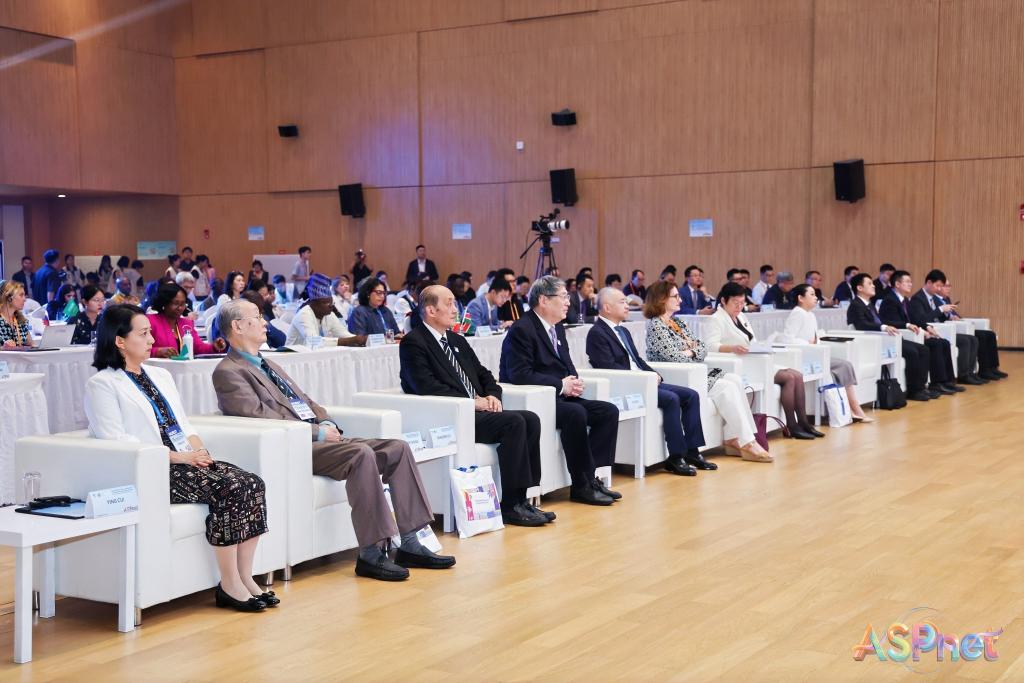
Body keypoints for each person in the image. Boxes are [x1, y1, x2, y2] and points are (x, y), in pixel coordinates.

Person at [213, 299, 454, 580]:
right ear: (238, 326)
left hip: (319, 437)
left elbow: (306, 401)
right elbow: (257, 417)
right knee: (361, 454)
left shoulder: (270, 364)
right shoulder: (228, 371)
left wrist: (325, 421)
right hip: (295, 446)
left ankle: (411, 541)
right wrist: (316, 433)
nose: (265, 322)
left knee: (397, 448)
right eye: (257, 316)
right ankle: (371, 553)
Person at [85, 304, 272, 612]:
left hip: (186, 459)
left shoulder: (160, 375)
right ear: (119, 341)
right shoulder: (103, 384)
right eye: (143, 334)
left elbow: (184, 425)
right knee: (230, 487)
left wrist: (199, 452)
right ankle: (229, 584)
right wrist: (179, 457)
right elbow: (117, 441)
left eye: (149, 333)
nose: (151, 340)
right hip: (154, 468)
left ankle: (245, 577)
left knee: (253, 482)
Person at [400, 286, 551, 526]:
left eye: (455, 303)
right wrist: (472, 403)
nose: (455, 309)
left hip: (475, 411)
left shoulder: (456, 340)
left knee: (530, 418)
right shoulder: (413, 343)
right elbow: (426, 386)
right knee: (514, 422)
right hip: (451, 416)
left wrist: (492, 396)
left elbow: (483, 374)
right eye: (449, 304)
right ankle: (511, 505)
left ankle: (524, 498)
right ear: (430, 310)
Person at [499, 275, 621, 506]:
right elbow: (519, 374)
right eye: (564, 297)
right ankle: (581, 485)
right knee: (576, 413)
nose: (568, 302)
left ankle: (591, 477)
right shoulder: (522, 329)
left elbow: (566, 362)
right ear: (544, 300)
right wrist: (560, 385)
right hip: (538, 399)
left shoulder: (557, 327)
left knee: (608, 412)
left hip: (560, 396)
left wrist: (574, 382)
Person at [642, 281, 771, 463]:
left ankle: (733, 438)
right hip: (677, 377)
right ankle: (748, 442)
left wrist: (690, 351)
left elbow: (702, 347)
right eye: (675, 296)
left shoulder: (677, 322)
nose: (680, 300)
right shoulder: (656, 325)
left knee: (734, 380)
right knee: (726, 387)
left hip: (695, 370)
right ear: (661, 299)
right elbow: (675, 358)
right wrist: (691, 350)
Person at [589, 287, 712, 474]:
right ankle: (676, 456)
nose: (627, 305)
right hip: (628, 385)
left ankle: (693, 452)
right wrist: (644, 378)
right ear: (607, 307)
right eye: (622, 302)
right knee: (671, 399)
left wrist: (653, 373)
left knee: (691, 395)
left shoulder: (623, 330)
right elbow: (608, 368)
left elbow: (637, 360)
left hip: (642, 380)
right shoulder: (597, 333)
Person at [707, 282, 824, 440]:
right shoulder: (716, 319)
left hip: (754, 360)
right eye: (735, 303)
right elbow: (710, 346)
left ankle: (804, 423)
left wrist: (761, 347)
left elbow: (752, 340)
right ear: (723, 300)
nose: (739, 307)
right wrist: (732, 348)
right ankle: (792, 426)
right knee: (789, 378)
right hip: (738, 364)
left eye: (742, 303)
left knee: (797, 375)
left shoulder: (741, 316)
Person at [784, 284, 873, 422]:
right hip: (804, 357)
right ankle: (854, 409)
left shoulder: (810, 314)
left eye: (815, 294)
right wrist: (808, 344)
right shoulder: (797, 313)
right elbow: (788, 339)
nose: (816, 298)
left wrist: (816, 342)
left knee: (846, 365)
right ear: (800, 298)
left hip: (815, 355)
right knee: (844, 365)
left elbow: (814, 338)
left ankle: (853, 408)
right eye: (812, 294)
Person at [847, 273, 935, 401]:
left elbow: (883, 321)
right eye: (869, 284)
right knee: (912, 352)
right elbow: (862, 324)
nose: (873, 286)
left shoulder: (869, 304)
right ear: (859, 288)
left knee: (923, 349)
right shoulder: (856, 305)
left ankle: (921, 387)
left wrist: (905, 325)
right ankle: (913, 390)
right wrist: (883, 327)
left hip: (886, 338)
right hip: (874, 342)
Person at [879, 270, 960, 396]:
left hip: (909, 334)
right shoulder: (889, 300)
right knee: (926, 348)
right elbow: (890, 322)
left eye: (910, 282)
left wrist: (926, 327)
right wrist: (912, 328)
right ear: (897, 284)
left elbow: (915, 319)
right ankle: (921, 388)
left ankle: (945, 381)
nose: (910, 284)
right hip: (896, 337)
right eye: (907, 282)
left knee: (943, 342)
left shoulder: (905, 300)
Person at [909, 269, 985, 386]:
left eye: (941, 286)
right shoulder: (917, 298)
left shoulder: (934, 298)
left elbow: (939, 317)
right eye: (937, 285)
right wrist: (940, 310)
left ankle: (961, 376)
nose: (939, 289)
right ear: (929, 283)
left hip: (939, 329)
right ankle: (951, 379)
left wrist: (948, 315)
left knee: (972, 339)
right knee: (956, 342)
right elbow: (921, 319)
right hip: (928, 331)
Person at [934, 278, 1006, 380]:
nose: (949, 288)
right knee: (978, 337)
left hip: (958, 325)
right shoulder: (935, 300)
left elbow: (953, 313)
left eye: (950, 286)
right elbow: (939, 317)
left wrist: (957, 318)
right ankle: (983, 370)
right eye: (946, 286)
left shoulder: (946, 299)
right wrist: (950, 317)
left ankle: (993, 367)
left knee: (990, 334)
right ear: (939, 287)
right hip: (949, 328)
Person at [147, 282, 227, 358]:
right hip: (157, 367)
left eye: (182, 304)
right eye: (176, 303)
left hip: (183, 367)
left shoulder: (186, 323)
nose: (180, 308)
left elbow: (198, 347)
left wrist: (214, 347)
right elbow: (140, 349)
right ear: (164, 303)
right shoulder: (150, 322)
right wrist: (158, 351)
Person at [286, 273, 364, 347]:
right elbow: (313, 341)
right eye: (326, 302)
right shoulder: (304, 314)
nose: (331, 306)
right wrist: (347, 341)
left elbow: (345, 335)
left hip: (314, 354)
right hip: (293, 355)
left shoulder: (328, 315)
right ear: (314, 303)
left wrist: (362, 339)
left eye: (331, 302)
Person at [0, 280, 33, 348]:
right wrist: (3, 348)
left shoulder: (21, 321)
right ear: (9, 298)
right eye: (21, 295)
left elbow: (32, 345)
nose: (25, 299)